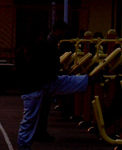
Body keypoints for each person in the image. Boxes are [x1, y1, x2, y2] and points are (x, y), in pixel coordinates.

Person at [15, 20, 91, 150]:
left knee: (29, 119)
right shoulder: (47, 46)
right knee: (69, 82)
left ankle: (24, 145)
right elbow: (54, 69)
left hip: (32, 87)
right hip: (43, 83)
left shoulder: (23, 49)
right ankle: (89, 80)